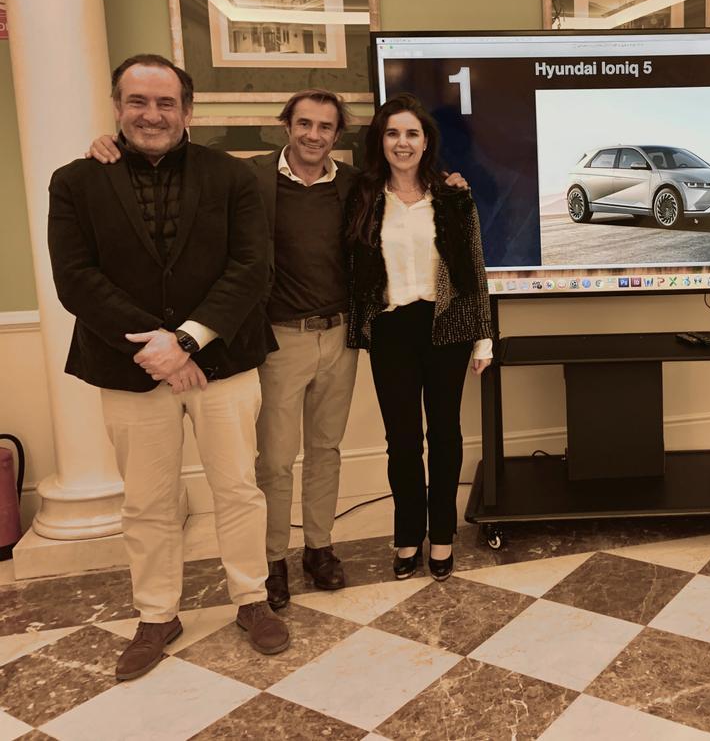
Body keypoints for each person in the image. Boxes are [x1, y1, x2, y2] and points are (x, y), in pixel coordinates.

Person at [89, 91, 471, 609]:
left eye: (326, 127)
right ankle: (273, 560)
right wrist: (112, 145)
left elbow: (414, 197)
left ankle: (320, 549)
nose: (314, 135)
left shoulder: (357, 186)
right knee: (274, 460)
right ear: (286, 126)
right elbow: (177, 155)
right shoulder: (249, 178)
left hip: (340, 338)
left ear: (339, 136)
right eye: (305, 124)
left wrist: (450, 182)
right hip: (279, 339)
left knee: (325, 451)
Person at [48, 54, 288, 681]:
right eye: (137, 102)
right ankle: (158, 614)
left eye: (164, 103)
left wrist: (185, 340)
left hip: (223, 362)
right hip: (129, 369)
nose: (151, 114)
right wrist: (155, 348)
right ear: (117, 106)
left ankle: (250, 600)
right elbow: (76, 279)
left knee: (237, 487)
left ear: (188, 109)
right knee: (147, 501)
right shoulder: (75, 181)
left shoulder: (231, 177)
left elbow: (250, 268)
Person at [346, 93, 493, 582]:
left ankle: (444, 536)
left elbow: (473, 268)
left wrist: (482, 336)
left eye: (411, 133)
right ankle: (407, 534)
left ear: (426, 141)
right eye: (392, 133)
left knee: (445, 436)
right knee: (402, 442)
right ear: (380, 141)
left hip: (445, 326)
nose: (402, 142)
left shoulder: (453, 197)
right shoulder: (363, 197)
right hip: (390, 330)